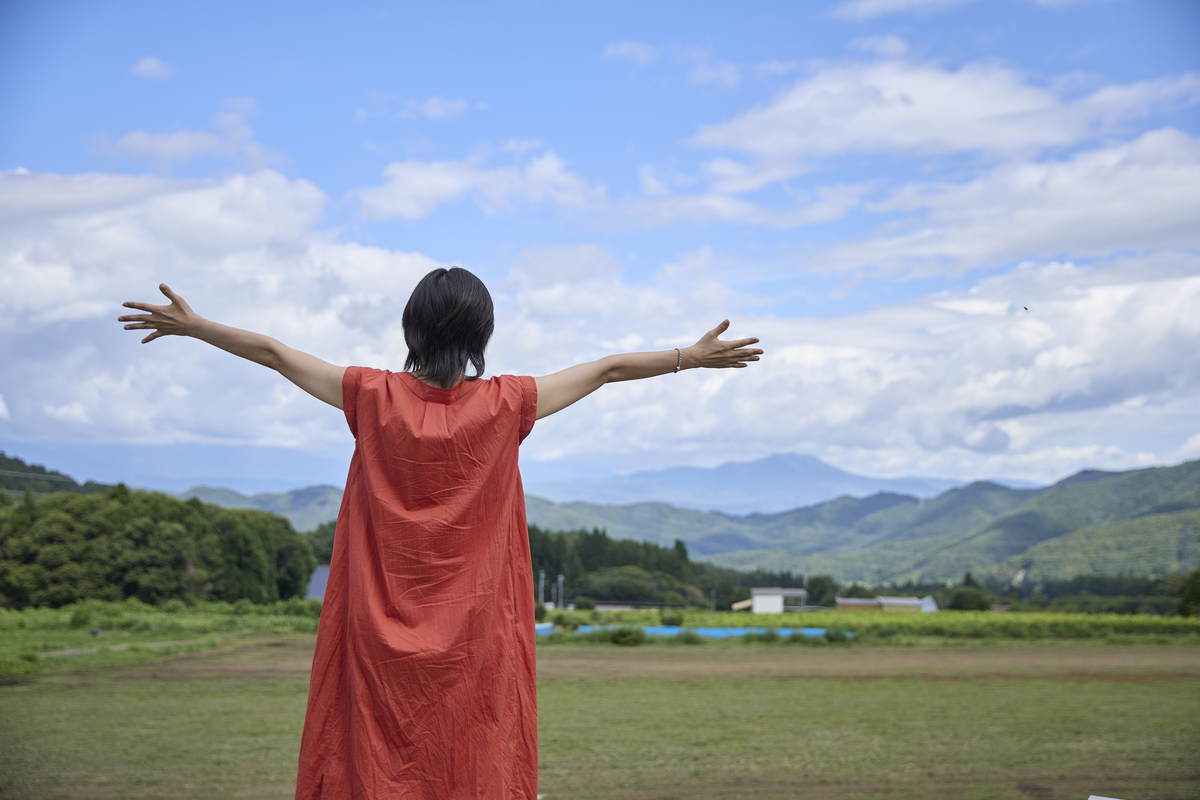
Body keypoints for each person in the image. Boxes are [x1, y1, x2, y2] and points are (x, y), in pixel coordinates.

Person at [119, 268, 762, 799]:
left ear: (411, 328)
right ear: (483, 333)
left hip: (375, 631)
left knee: (370, 758)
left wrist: (196, 326)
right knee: (476, 755)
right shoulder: (509, 402)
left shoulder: (369, 395)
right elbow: (608, 369)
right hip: (477, 635)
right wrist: (690, 357)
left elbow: (272, 353)